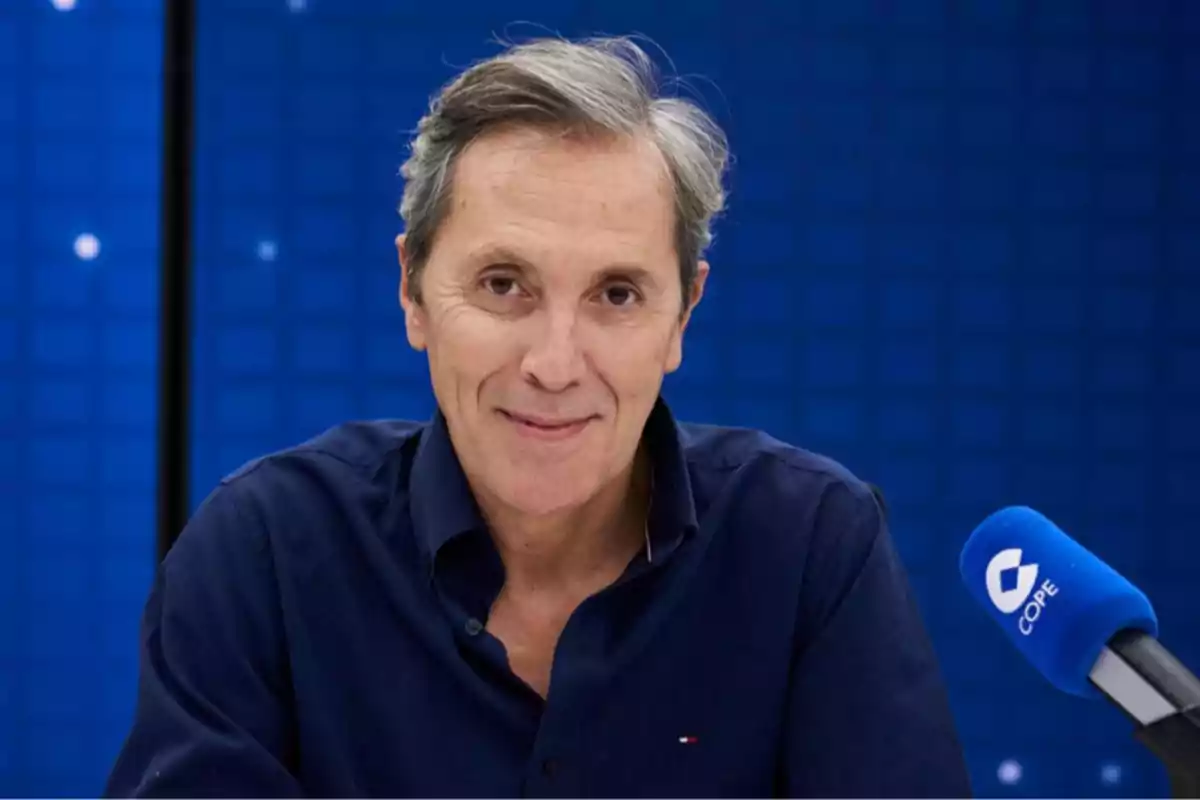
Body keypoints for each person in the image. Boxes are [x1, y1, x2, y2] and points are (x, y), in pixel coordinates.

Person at [107, 35, 971, 798]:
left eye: (618, 294)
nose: (555, 364)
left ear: (684, 315)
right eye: (503, 284)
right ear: (413, 291)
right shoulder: (264, 551)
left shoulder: (810, 548)